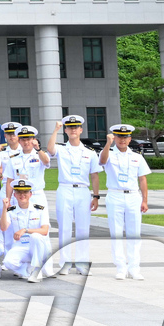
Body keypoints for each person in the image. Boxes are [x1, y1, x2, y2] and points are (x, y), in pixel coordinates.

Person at [48, 114, 101, 275]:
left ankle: (82, 263)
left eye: (75, 127)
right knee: (64, 227)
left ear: (81, 130)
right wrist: (55, 130)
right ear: (66, 130)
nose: (73, 130)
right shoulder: (62, 149)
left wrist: (96, 196)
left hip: (83, 191)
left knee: (83, 228)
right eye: (69, 127)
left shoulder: (89, 152)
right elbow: (50, 150)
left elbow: (95, 175)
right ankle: (64, 263)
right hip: (65, 189)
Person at [100, 123, 150, 280]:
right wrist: (108, 144)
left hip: (133, 196)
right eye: (119, 137)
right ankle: (121, 267)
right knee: (116, 232)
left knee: (134, 233)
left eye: (125, 137)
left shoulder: (137, 157)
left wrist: (145, 200)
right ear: (115, 138)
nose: (122, 140)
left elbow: (142, 179)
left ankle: (134, 268)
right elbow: (102, 161)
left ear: (130, 139)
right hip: (115, 195)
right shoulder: (109, 153)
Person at [1, 179, 51, 283]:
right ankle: (27, 271)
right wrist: (4, 209)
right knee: (8, 262)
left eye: (25, 192)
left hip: (38, 247)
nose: (22, 195)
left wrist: (25, 230)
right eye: (19, 192)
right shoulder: (11, 211)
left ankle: (36, 271)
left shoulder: (40, 209)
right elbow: (3, 227)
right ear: (14, 195)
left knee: (35, 236)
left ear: (30, 194)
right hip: (21, 246)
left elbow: (45, 230)